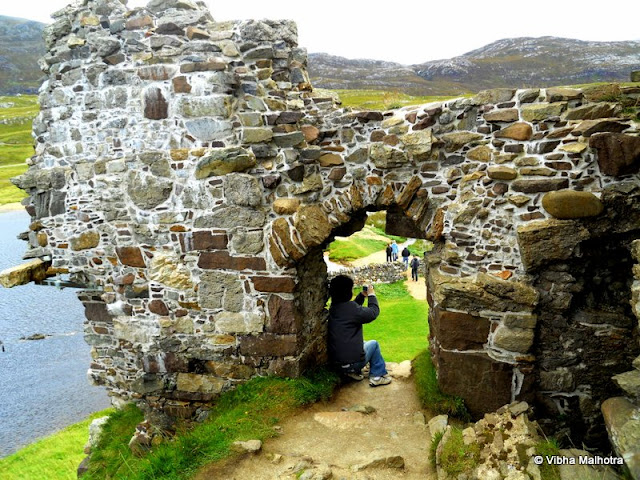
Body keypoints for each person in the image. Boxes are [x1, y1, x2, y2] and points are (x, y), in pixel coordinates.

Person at [327, 275, 391, 387]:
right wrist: (371, 295)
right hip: (354, 363)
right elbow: (373, 312)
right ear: (348, 292)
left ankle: (351, 373)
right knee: (374, 344)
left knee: (364, 344)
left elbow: (352, 309)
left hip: (337, 364)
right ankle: (377, 376)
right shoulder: (351, 309)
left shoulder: (334, 307)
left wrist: (361, 296)